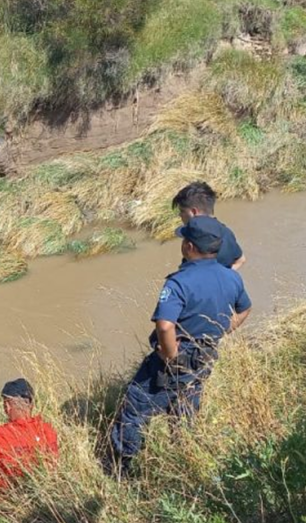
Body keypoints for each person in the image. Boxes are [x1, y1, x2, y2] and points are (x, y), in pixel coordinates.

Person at [108, 216, 252, 475]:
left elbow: (164, 325)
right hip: (206, 354)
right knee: (185, 408)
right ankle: (184, 461)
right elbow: (245, 308)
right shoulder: (232, 278)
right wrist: (223, 330)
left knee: (133, 410)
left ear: (189, 246)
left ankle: (124, 468)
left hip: (176, 356)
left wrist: (170, 355)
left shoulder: (178, 282)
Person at [172, 181, 245, 270]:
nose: (180, 215)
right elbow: (241, 260)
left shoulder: (195, 241)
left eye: (182, 211)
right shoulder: (226, 232)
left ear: (194, 212)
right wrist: (226, 276)